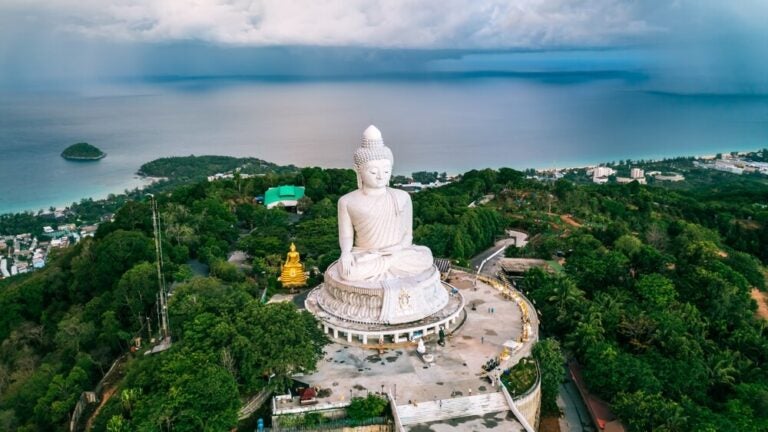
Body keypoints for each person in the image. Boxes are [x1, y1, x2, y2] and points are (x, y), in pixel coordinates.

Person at [337, 125, 434, 282]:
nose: (381, 176)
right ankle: (386, 264)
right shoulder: (347, 201)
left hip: (397, 252)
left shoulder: (402, 197)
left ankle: (388, 263)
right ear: (358, 170)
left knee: (426, 256)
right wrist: (346, 254)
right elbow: (347, 236)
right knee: (348, 271)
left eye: (387, 171)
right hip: (366, 253)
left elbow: (408, 234)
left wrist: (398, 248)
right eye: (373, 172)